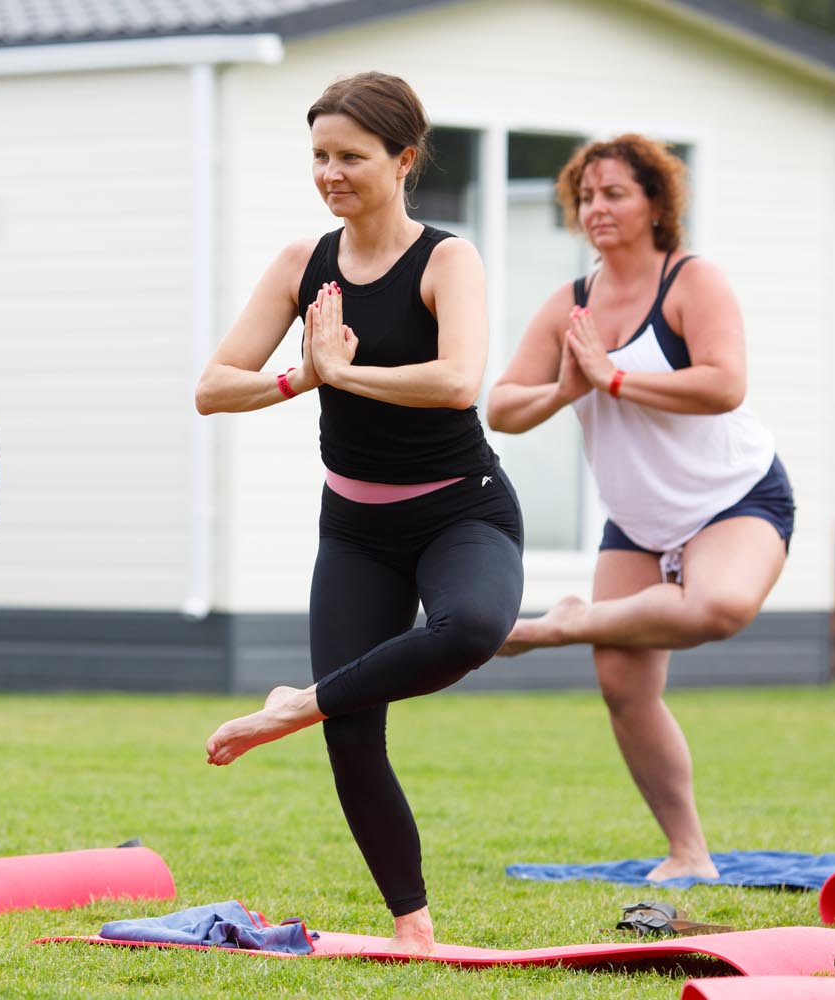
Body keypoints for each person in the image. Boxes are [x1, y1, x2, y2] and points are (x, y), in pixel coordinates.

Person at [198, 72, 523, 955]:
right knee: (355, 735)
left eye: (351, 156)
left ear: (404, 159)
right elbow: (212, 388)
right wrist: (298, 376)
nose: (330, 172)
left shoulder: (447, 259)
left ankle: (291, 706)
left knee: (472, 629)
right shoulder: (303, 264)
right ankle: (412, 926)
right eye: (319, 156)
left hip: (463, 511)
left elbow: (459, 382)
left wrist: (344, 375)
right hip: (355, 528)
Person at [485, 135, 793, 881]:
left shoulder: (691, 281)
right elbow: (501, 407)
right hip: (639, 520)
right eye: (586, 196)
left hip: (733, 496)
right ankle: (688, 851)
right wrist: (569, 388)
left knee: (718, 607)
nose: (597, 208)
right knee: (623, 686)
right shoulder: (571, 303)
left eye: (615, 193)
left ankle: (564, 623)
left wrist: (614, 380)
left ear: (657, 204)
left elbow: (725, 383)